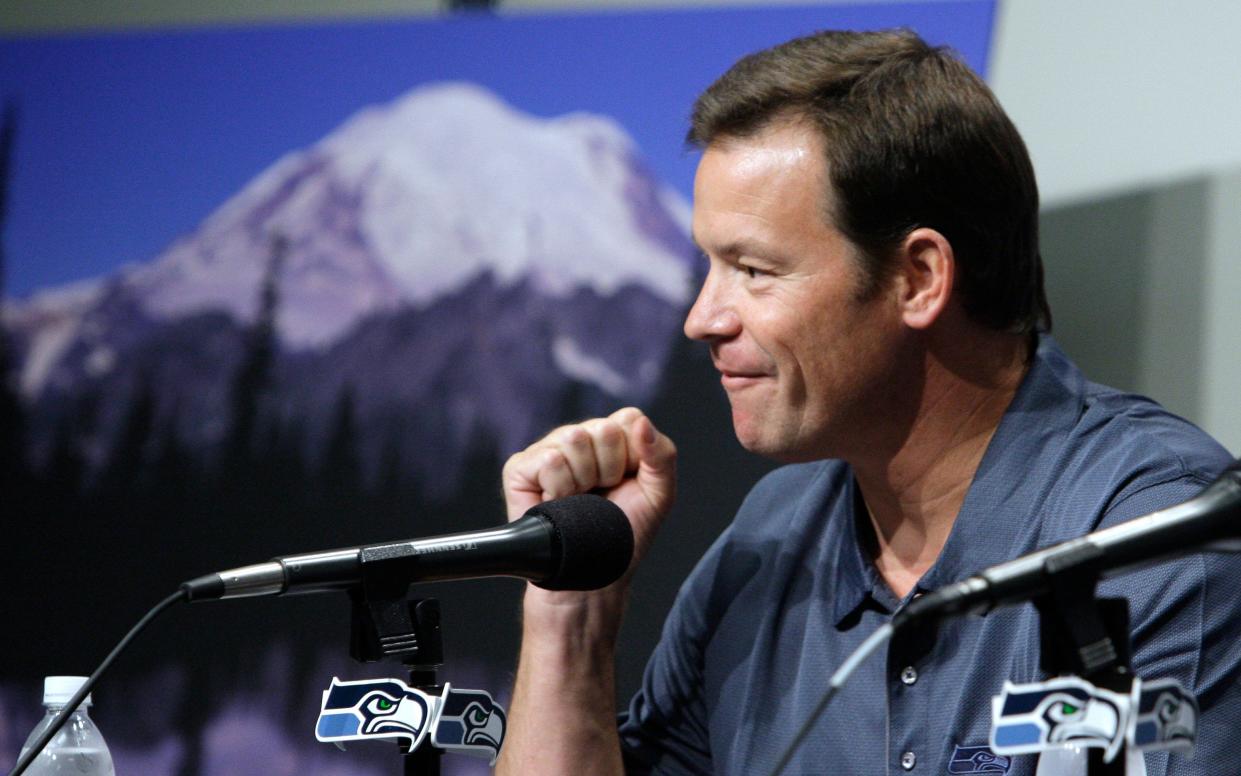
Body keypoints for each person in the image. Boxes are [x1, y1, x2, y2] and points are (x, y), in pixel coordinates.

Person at [494, 29, 1239, 775]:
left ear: (917, 278)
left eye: (752, 269)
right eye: (710, 267)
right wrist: (573, 610)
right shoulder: (766, 543)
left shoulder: (1157, 535)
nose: (702, 319)